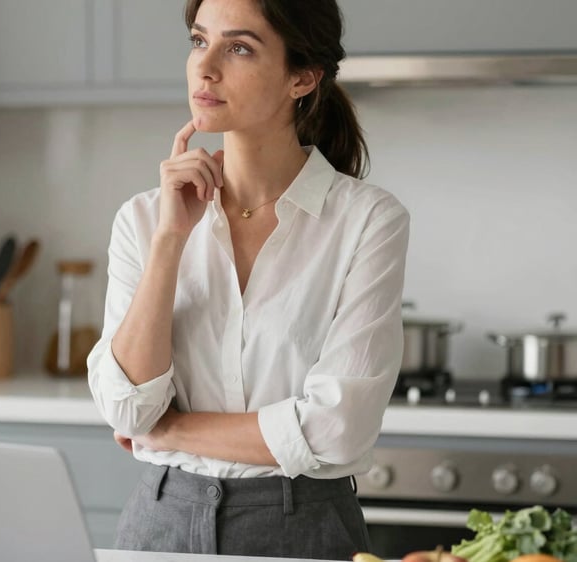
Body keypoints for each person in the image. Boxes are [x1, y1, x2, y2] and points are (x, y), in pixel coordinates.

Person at [87, 0, 409, 558]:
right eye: (197, 40)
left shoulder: (367, 221)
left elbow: (336, 429)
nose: (204, 67)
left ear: (302, 77)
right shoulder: (143, 220)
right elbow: (126, 410)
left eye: (238, 47)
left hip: (304, 528)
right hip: (159, 524)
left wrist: (167, 431)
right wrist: (170, 241)